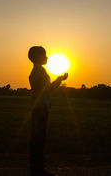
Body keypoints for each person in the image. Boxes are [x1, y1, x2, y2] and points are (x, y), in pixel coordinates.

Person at [28, 46, 68, 176]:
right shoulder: (39, 73)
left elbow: (46, 89)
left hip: (39, 108)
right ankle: (38, 170)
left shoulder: (38, 71)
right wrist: (59, 80)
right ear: (37, 57)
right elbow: (47, 90)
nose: (47, 57)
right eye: (44, 55)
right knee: (39, 139)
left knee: (37, 139)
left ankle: (36, 169)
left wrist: (59, 80)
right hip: (40, 109)